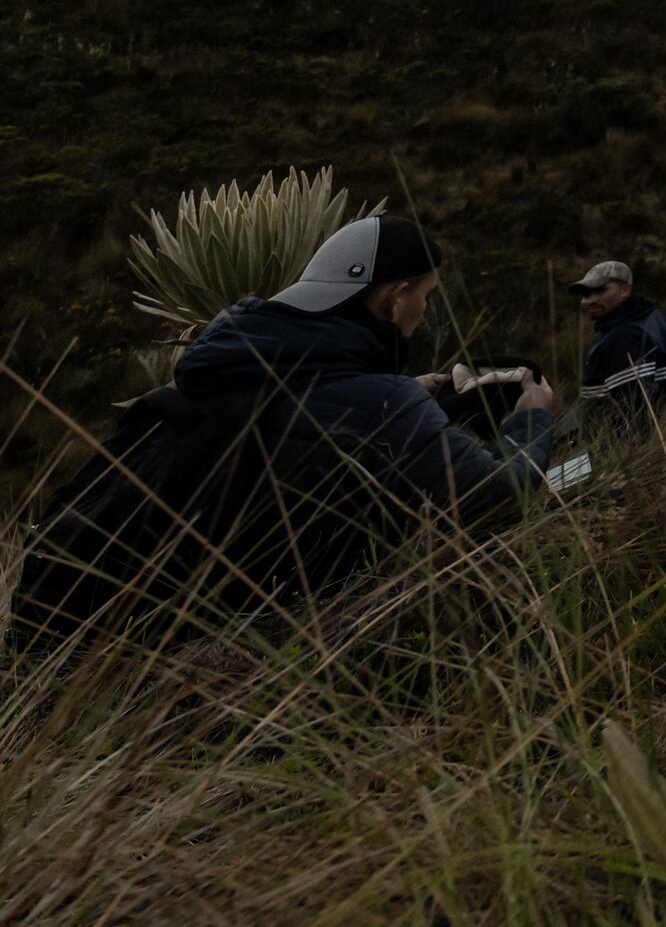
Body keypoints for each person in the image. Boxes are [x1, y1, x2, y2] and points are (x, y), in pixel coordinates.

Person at [12, 214, 555, 636]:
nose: (425, 313)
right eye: (425, 297)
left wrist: (400, 395)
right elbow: (503, 499)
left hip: (106, 639)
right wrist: (529, 423)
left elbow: (298, 405)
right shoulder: (380, 404)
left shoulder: (226, 368)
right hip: (239, 670)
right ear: (394, 298)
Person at [571, 258, 666, 418]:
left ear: (624, 290)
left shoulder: (623, 337)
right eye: (586, 294)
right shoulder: (651, 315)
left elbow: (632, 411)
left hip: (614, 437)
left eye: (600, 291)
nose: (590, 300)